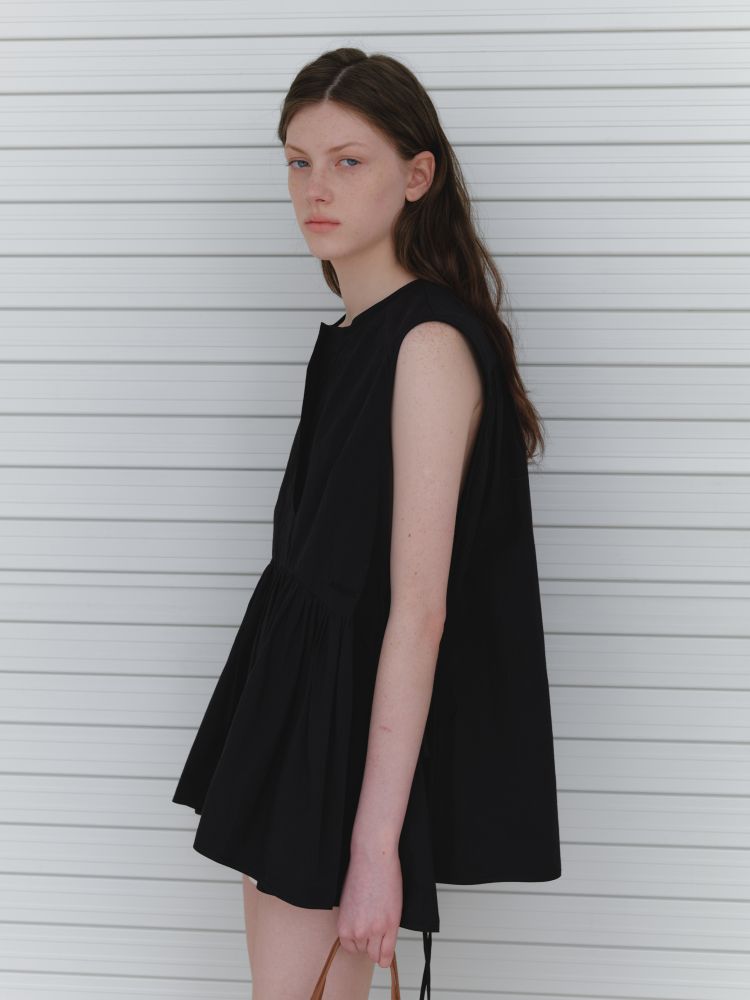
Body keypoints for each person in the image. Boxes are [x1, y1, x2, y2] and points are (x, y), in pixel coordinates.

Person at [172, 47, 561, 1000]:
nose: (316, 188)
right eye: (298, 162)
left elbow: (418, 612)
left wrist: (376, 845)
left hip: (341, 748)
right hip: (302, 719)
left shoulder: (425, 344)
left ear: (417, 176)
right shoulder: (357, 333)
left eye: (349, 161)